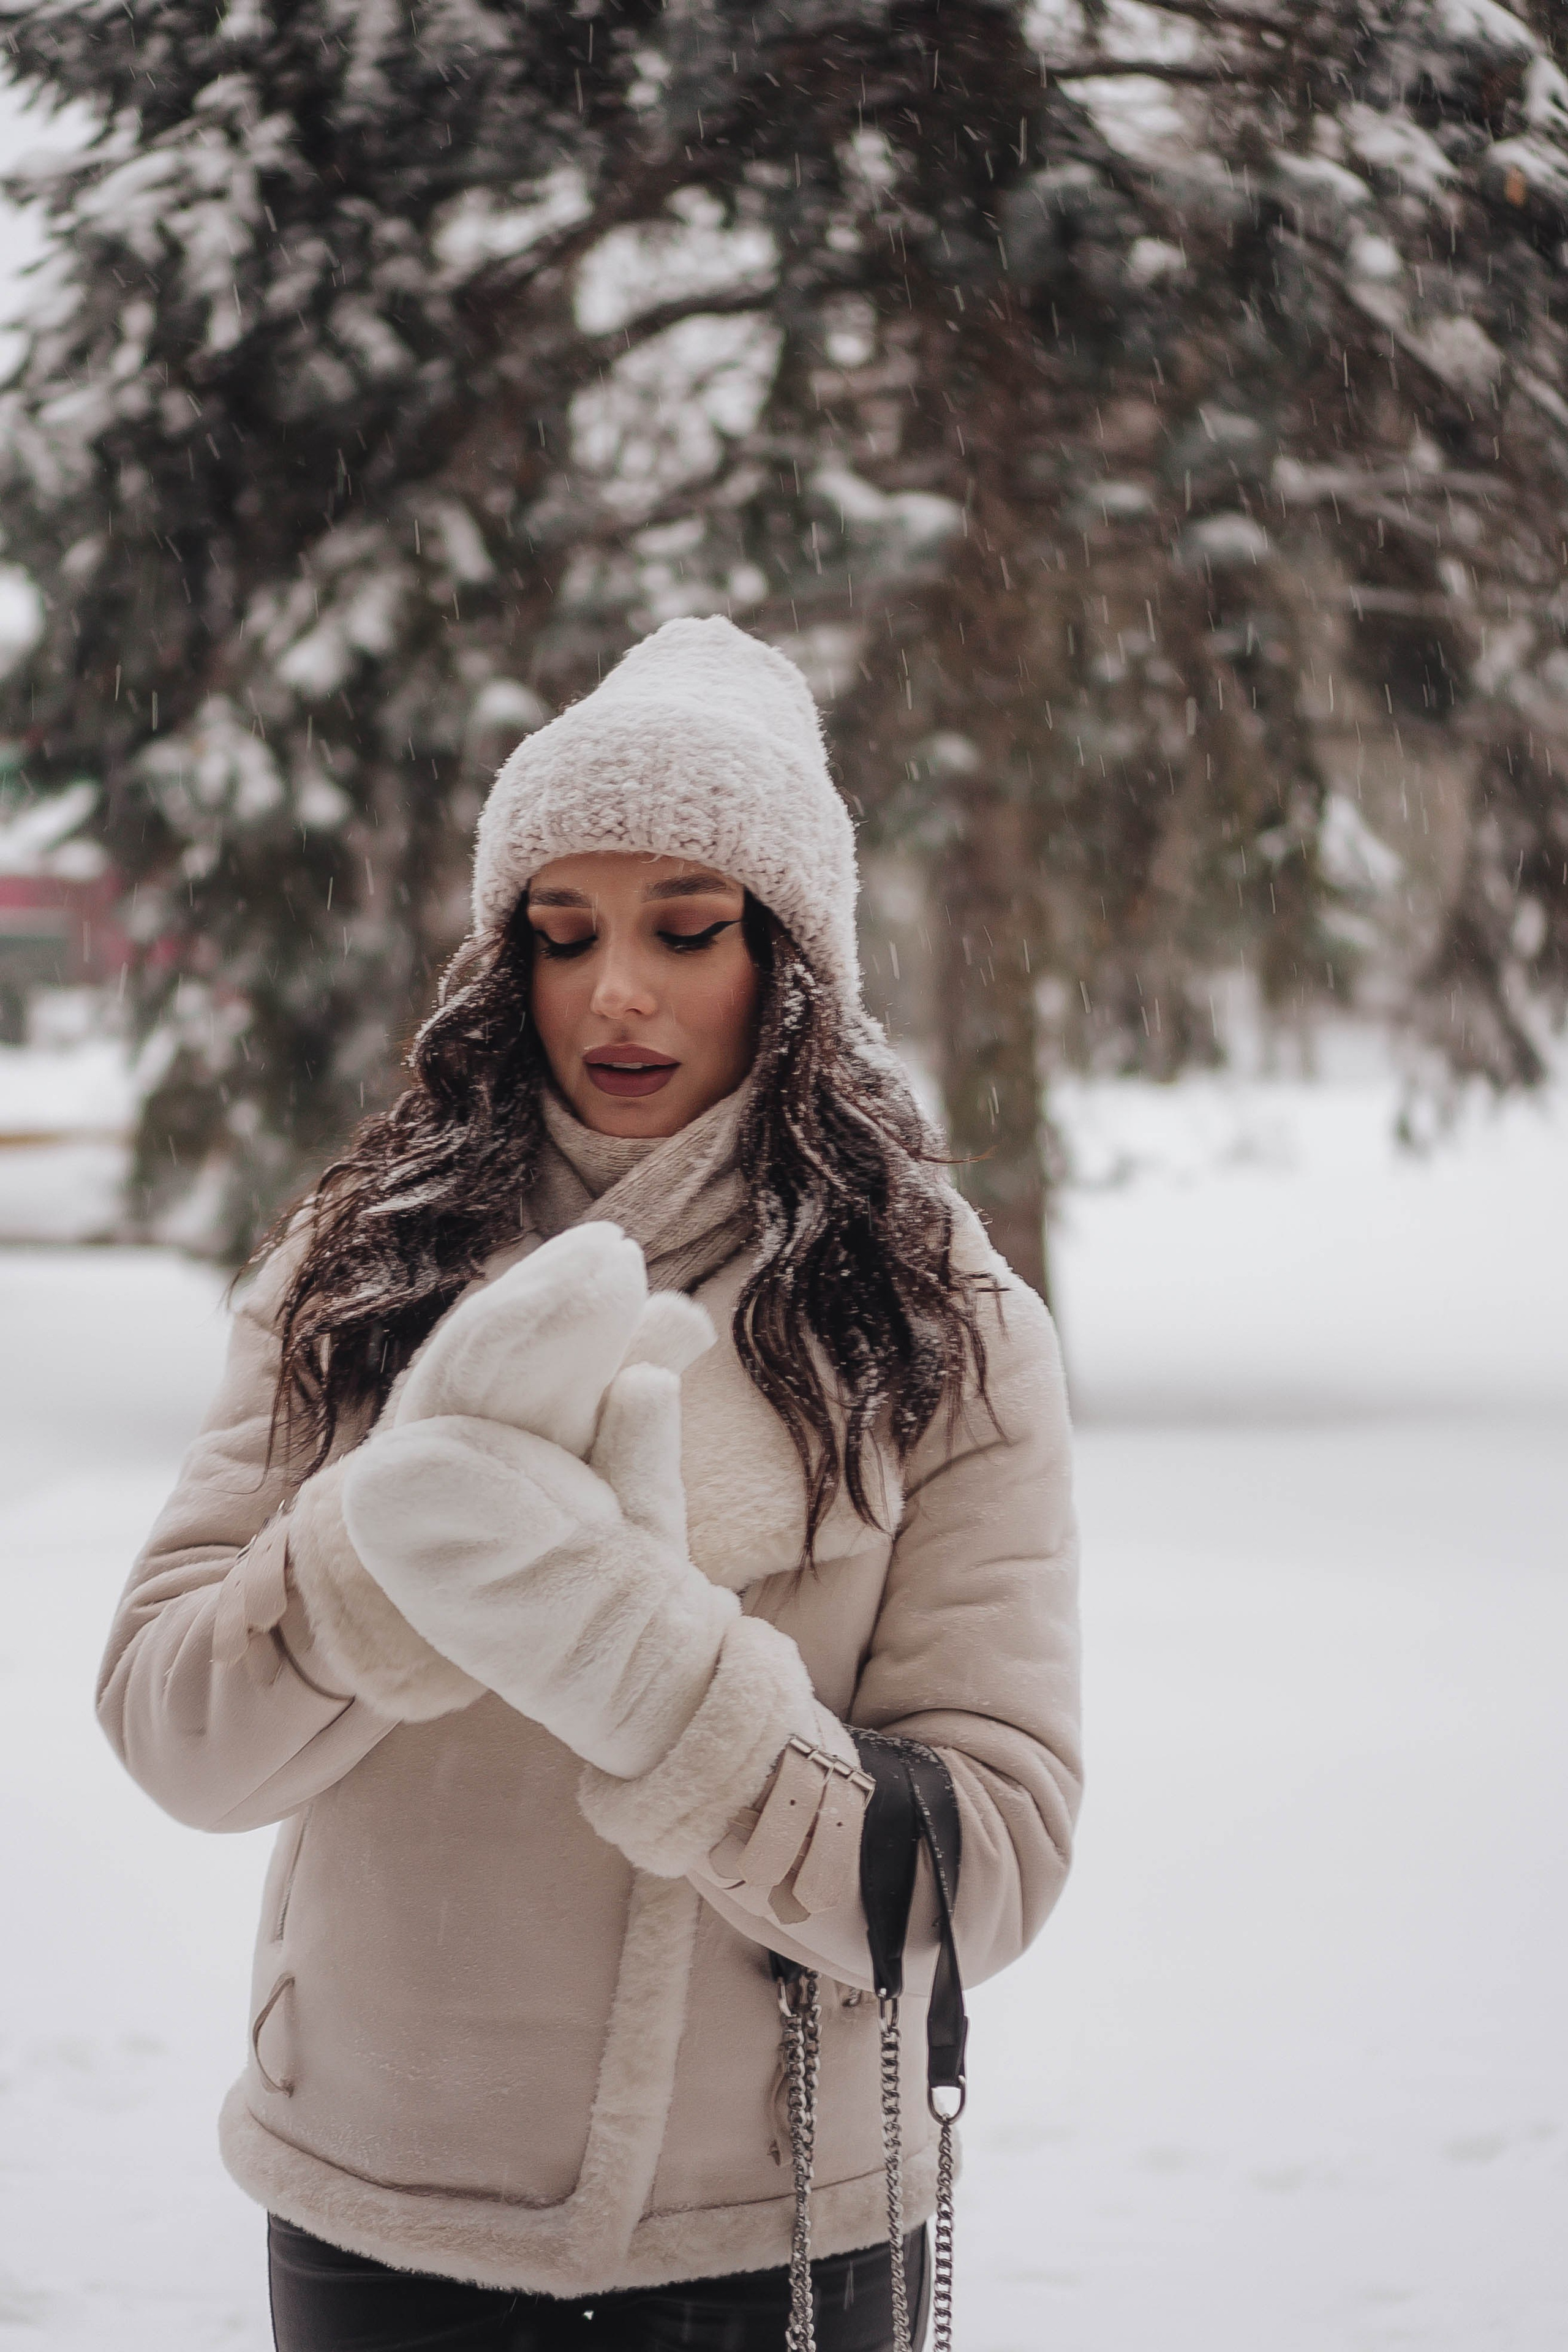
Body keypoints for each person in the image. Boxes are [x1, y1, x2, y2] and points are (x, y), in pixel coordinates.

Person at [97, 617, 1082, 2352]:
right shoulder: (363, 1266)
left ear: (791, 961)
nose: (615, 991)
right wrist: (379, 1555)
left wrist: (658, 1681)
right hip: (380, 2209)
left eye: (686, 930)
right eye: (564, 934)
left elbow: (984, 1868)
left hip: (775, 2229)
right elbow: (175, 1732)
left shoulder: (939, 1321)